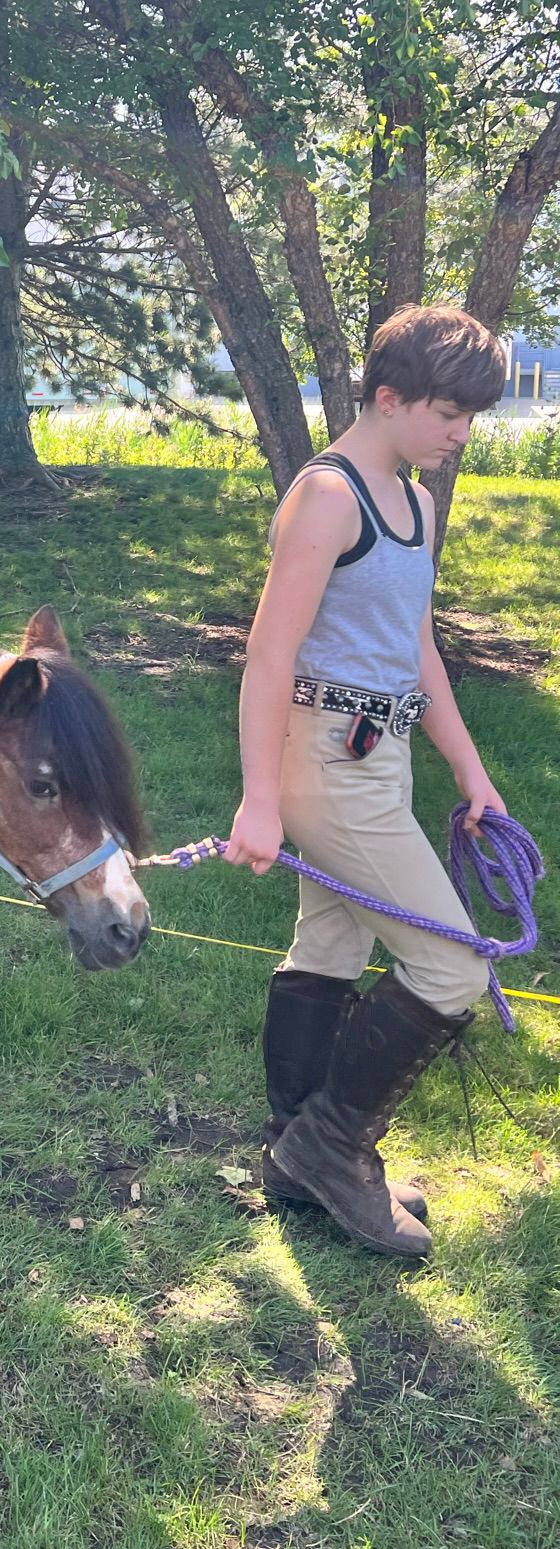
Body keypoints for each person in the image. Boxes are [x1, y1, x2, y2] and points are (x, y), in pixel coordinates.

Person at [224, 304, 509, 1257]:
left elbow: (415, 648)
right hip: (322, 760)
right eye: (449, 414)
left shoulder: (416, 504)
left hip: (379, 758)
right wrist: (260, 799)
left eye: (469, 418)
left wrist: (469, 768)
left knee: (331, 946)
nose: (461, 434)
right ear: (389, 398)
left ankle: (294, 1153)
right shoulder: (327, 498)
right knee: (453, 965)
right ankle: (332, 1149)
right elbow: (268, 657)